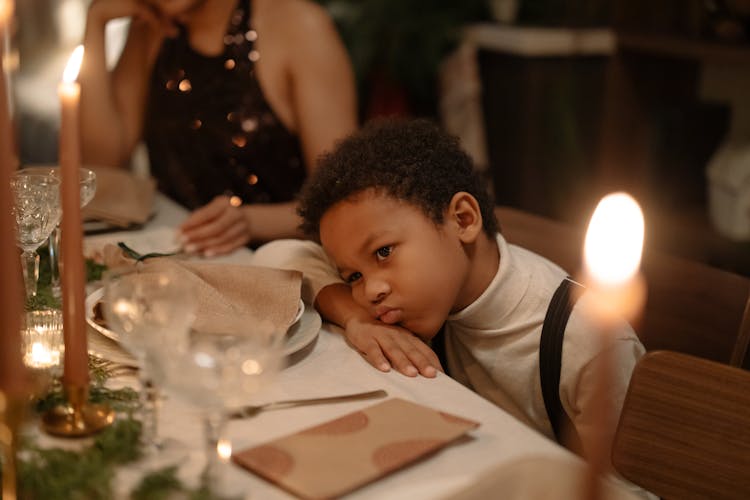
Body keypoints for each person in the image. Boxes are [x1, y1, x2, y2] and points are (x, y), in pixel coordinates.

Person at [271, 118, 646, 478]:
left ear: (463, 220)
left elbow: (628, 492)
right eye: (352, 275)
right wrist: (355, 319)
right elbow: (280, 256)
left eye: (383, 252)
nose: (370, 292)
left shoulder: (588, 340)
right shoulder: (428, 297)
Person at [79, 0, 357, 254]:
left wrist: (249, 221)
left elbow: (344, 202)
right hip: (176, 260)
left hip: (283, 268)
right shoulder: (151, 29)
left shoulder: (298, 26)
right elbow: (99, 163)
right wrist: (95, 23)